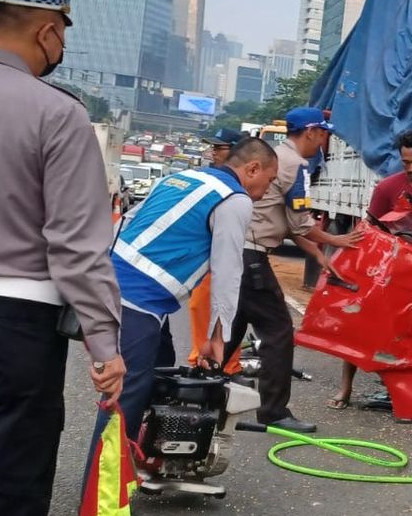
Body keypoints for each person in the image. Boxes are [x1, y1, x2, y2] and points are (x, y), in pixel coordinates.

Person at [0, 0, 126, 516]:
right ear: (47, 31)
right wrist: (104, 344)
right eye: (62, 30)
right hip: (13, 323)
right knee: (3, 488)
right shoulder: (57, 114)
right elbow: (75, 244)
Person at [90, 138, 279, 450]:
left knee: (158, 369)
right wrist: (218, 337)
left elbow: (128, 220)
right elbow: (228, 270)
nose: (266, 191)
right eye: (269, 181)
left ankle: (142, 457)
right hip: (138, 297)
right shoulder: (235, 198)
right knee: (123, 399)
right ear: (253, 168)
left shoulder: (184, 177)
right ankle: (103, 494)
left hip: (109, 278)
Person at [226, 107, 363, 433]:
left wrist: (318, 253)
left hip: (238, 254)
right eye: (324, 132)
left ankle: (202, 389)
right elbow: (301, 223)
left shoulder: (277, 158)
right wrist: (336, 240)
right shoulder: (295, 165)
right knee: (278, 332)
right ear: (311, 131)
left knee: (231, 330)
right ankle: (274, 411)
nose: (326, 140)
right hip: (252, 257)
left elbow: (286, 223)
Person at [330, 129, 412, 410]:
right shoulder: (387, 188)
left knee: (408, 334)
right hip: (386, 270)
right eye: (406, 163)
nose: (411, 169)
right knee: (361, 327)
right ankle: (345, 388)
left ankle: (399, 391)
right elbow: (370, 227)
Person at [187, 128, 250, 376]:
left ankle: (220, 365)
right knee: (202, 309)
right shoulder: (211, 179)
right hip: (208, 259)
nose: (213, 151)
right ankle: (206, 361)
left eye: (219, 147)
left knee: (220, 310)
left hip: (224, 258)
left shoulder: (236, 188)